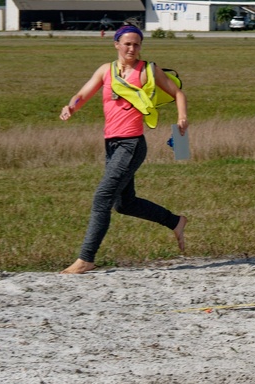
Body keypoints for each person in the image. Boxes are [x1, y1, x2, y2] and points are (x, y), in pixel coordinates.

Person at [59, 24, 188, 274]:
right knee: (124, 203)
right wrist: (71, 106)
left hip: (132, 144)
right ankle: (175, 221)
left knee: (102, 198)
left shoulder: (148, 70)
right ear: (116, 44)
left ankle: (86, 258)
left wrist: (182, 117)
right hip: (111, 143)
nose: (132, 48)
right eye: (127, 43)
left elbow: (177, 92)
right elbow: (82, 94)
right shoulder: (105, 71)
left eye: (137, 44)